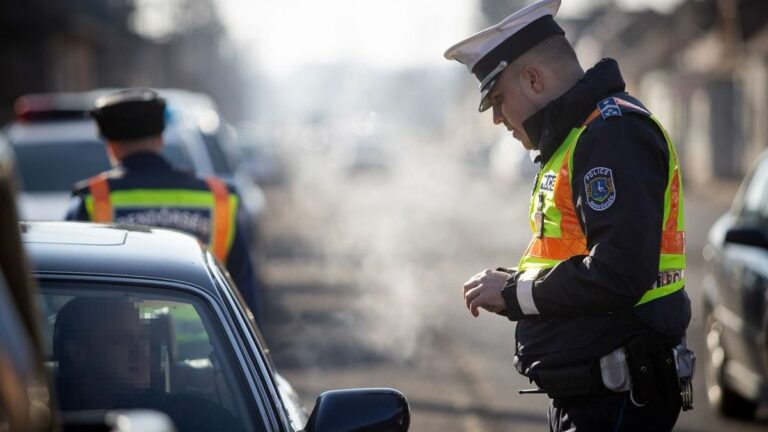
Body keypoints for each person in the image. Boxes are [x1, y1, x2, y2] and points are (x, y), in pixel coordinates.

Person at [445, 1, 693, 430]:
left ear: (534, 78)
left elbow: (619, 270)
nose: (498, 119)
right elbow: (573, 259)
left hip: (618, 399)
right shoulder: (580, 136)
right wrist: (515, 286)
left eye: (498, 99)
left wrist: (514, 294)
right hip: (595, 394)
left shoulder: (611, 134)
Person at [65, 89, 260, 317]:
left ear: (111, 145)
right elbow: (245, 294)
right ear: (160, 139)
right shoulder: (220, 197)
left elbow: (71, 293)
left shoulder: (92, 200)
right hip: (209, 349)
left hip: (121, 348)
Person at [53, 297, 244, 432]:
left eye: (143, 338)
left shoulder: (193, 419)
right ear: (77, 353)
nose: (140, 351)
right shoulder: (35, 415)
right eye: (120, 339)